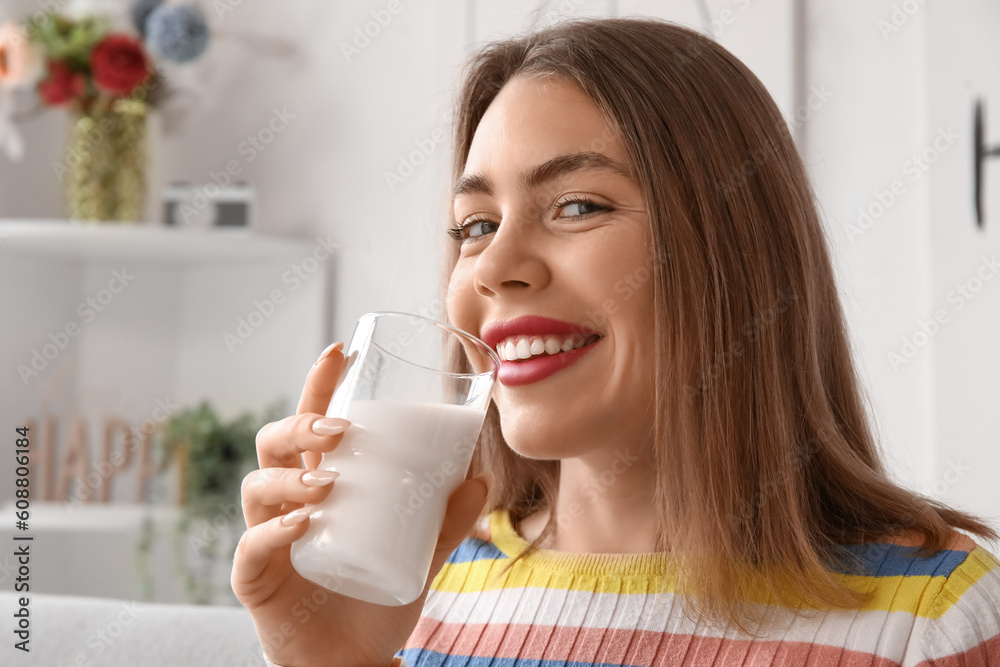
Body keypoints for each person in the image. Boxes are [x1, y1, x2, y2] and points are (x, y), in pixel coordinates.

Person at [232, 17, 1000, 667]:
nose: (495, 266)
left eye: (575, 205)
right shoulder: (418, 588)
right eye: (476, 225)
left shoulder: (933, 615)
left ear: (734, 251)